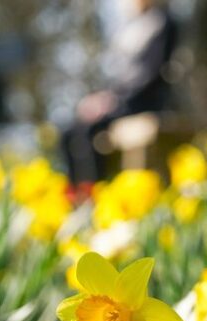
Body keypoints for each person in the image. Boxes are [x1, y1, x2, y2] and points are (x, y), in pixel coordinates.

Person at [60, 0, 177, 188]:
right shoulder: (128, 27)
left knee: (90, 132)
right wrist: (99, 98)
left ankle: (95, 191)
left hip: (141, 101)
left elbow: (152, 74)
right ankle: (76, 194)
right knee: (68, 132)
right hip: (118, 100)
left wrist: (114, 100)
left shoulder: (162, 23)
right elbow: (115, 75)